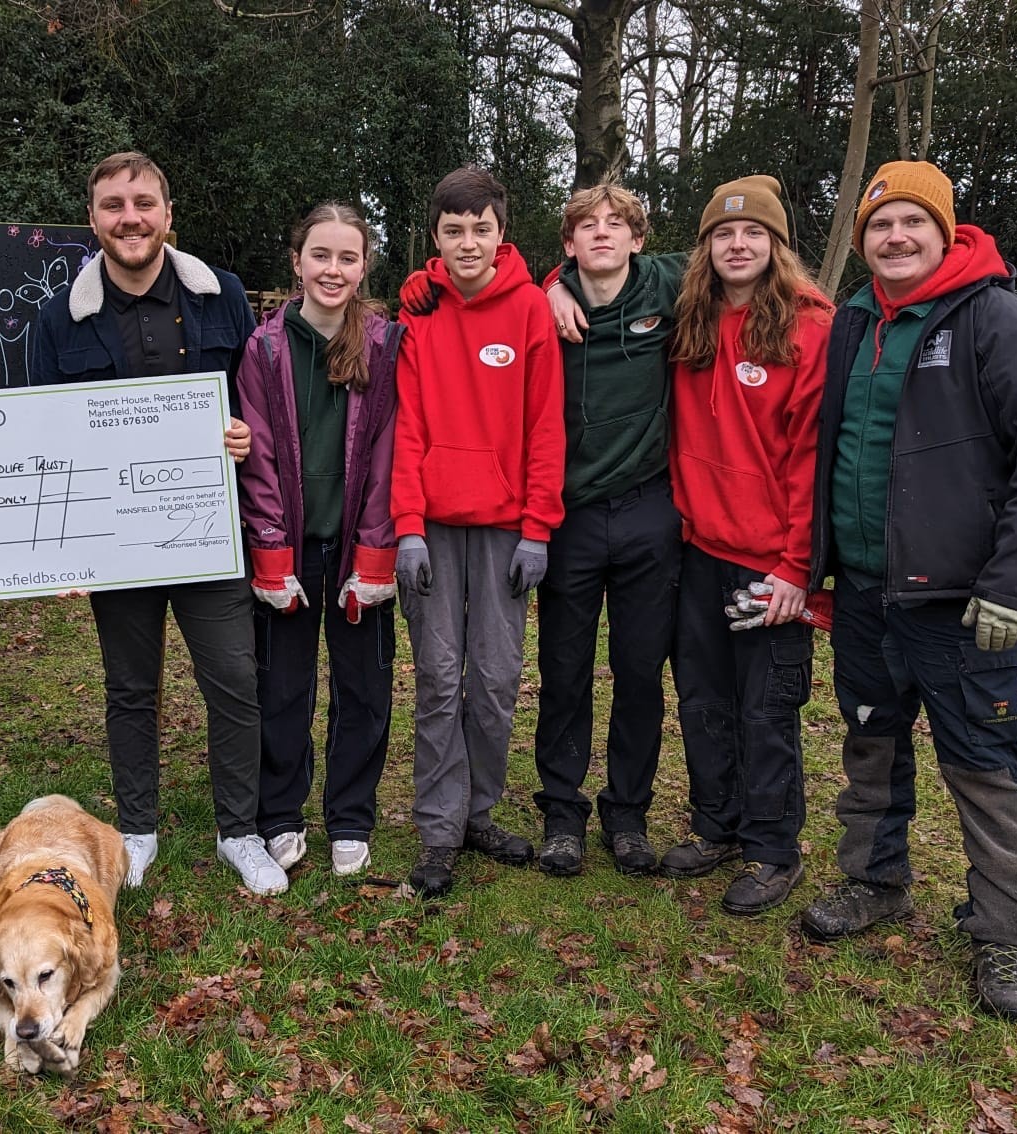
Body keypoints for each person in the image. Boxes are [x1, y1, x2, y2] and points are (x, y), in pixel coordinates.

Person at [801, 161, 1017, 1020]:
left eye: (913, 223)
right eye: (881, 225)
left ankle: (1003, 932)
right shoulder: (851, 322)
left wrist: (1012, 583)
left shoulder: (994, 319)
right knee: (871, 739)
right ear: (863, 239)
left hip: (961, 601)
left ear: (944, 230)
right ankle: (875, 879)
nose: (895, 237)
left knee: (981, 761)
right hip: (864, 588)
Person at [27, 151, 286, 896]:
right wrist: (63, 553)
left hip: (208, 530)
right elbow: (44, 439)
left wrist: (243, 433)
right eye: (113, 205)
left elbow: (254, 396)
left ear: (169, 215)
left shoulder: (221, 297)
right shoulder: (59, 319)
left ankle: (238, 830)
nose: (130, 217)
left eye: (143, 202)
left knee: (235, 682)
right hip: (117, 545)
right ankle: (136, 829)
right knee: (130, 688)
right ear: (93, 220)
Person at [659, 175, 831, 915]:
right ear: (705, 248)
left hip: (770, 558)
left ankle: (772, 848)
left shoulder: (807, 327)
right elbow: (592, 270)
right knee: (702, 697)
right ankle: (717, 823)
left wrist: (798, 570)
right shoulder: (689, 318)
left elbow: (810, 458)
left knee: (765, 708)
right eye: (723, 234)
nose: (737, 244)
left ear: (776, 244)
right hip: (698, 545)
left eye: (753, 233)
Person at [393, 166, 566, 898]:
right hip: (432, 524)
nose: (469, 243)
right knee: (437, 681)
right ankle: (438, 829)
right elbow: (406, 428)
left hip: (505, 533)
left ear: (502, 233)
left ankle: (481, 813)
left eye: (482, 229)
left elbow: (546, 426)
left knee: (494, 682)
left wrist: (538, 529)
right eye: (454, 231)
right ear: (435, 236)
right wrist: (406, 527)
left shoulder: (530, 310)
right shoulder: (419, 313)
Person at [526, 184, 687, 878]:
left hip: (651, 507)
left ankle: (628, 815)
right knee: (563, 671)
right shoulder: (544, 307)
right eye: (586, 226)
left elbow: (750, 264)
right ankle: (562, 814)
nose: (601, 234)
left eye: (615, 224)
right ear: (568, 244)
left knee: (640, 672)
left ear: (637, 239)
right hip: (571, 514)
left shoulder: (669, 287)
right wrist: (549, 287)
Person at [237, 203, 402, 878]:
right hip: (294, 546)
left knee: (364, 686)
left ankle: (352, 816)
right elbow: (261, 456)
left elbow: (393, 451)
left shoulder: (387, 345)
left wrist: (376, 549)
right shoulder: (265, 348)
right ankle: (279, 814)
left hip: (362, 542)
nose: (333, 269)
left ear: (364, 266)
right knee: (283, 686)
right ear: (297, 261)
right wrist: (271, 553)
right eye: (321, 255)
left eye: (348, 257)